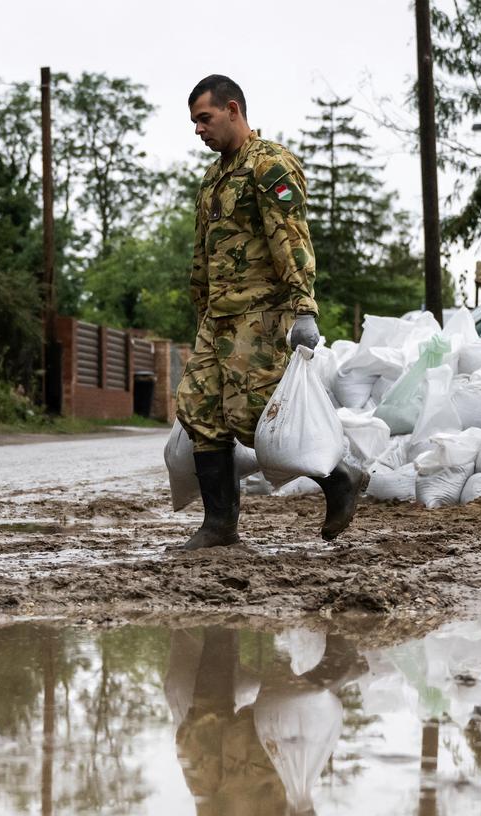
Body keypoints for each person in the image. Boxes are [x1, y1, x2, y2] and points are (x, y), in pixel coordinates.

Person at [177, 75, 366, 550]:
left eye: (205, 118)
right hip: (217, 320)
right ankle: (220, 526)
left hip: (260, 317)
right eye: (195, 121)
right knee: (199, 411)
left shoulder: (270, 165)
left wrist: (304, 307)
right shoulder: (214, 175)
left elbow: (291, 239)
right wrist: (200, 309)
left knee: (255, 417)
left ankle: (340, 476)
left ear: (233, 110)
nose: (199, 130)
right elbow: (204, 253)